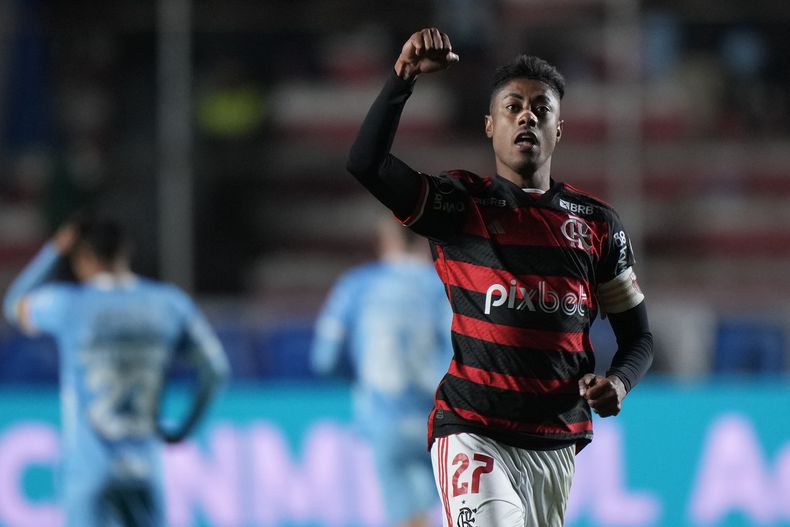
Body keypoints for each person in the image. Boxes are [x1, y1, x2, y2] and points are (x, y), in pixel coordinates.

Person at [347, 28, 654, 527]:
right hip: (471, 429)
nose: (526, 115)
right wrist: (402, 78)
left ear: (559, 131)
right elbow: (366, 163)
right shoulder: (458, 205)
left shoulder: (597, 225)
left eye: (541, 108)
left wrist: (619, 384)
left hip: (554, 445)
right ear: (490, 126)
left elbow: (638, 338)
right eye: (512, 106)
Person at [3, 216, 230, 527]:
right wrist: (184, 430)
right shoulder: (169, 303)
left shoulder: (68, 304)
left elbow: (14, 306)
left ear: (82, 259)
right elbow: (215, 372)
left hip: (89, 472)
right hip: (144, 469)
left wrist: (54, 250)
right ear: (127, 251)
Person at [311, 215, 453, 527]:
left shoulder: (356, 285)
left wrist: (358, 376)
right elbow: (461, 349)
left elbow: (324, 358)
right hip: (439, 418)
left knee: (405, 514)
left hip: (384, 415)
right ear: (423, 241)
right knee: (451, 512)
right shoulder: (442, 286)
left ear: (383, 241)